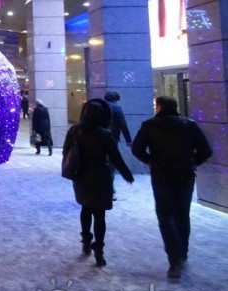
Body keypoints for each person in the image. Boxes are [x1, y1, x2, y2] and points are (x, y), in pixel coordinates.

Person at [132, 96, 213, 278]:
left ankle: (174, 259)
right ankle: (182, 253)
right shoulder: (189, 124)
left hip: (161, 174)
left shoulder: (149, 125)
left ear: (160, 107)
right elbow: (206, 151)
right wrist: (192, 163)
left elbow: (137, 149)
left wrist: (150, 161)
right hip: (185, 174)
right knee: (182, 214)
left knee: (165, 216)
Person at [63, 98, 134, 267]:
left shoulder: (74, 130)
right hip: (100, 175)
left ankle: (86, 240)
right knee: (100, 215)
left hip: (81, 175)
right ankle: (99, 250)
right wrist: (126, 174)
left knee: (86, 208)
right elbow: (115, 157)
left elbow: (66, 151)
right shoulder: (105, 134)